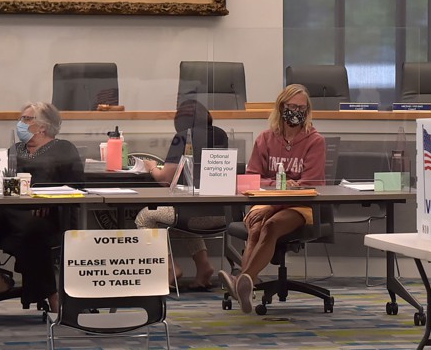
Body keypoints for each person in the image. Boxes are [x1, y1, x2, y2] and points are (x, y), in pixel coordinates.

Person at [0, 101, 84, 313]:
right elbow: (1, 180)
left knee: (31, 228)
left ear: (43, 126)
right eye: (21, 118)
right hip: (8, 209)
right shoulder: (15, 149)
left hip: (46, 214)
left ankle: (51, 293)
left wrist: (45, 198)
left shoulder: (63, 148)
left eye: (26, 119)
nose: (20, 123)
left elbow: (77, 186)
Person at [217, 84, 326, 314]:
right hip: (267, 202)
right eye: (292, 106)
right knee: (256, 228)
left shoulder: (314, 141)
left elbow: (310, 184)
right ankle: (246, 282)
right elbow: (252, 178)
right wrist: (278, 187)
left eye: (301, 107)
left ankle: (241, 282)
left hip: (299, 206)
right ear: (281, 107)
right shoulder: (265, 139)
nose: (296, 111)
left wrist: (272, 202)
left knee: (272, 225)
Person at [137, 100, 229, 291]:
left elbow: (165, 179)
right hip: (222, 213)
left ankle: (170, 268)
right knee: (179, 216)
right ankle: (204, 266)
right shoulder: (220, 134)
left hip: (194, 216)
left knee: (145, 217)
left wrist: (151, 167)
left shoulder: (183, 137)